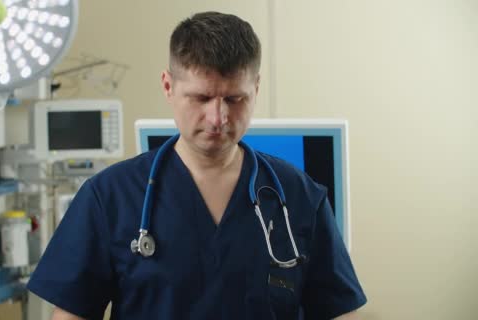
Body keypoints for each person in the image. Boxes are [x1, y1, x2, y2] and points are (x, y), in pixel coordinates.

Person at [27, 11, 367, 320]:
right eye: (201, 98)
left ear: (256, 88)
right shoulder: (109, 197)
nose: (217, 118)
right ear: (168, 86)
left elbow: (339, 311)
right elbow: (72, 314)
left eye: (235, 99)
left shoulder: (298, 195)